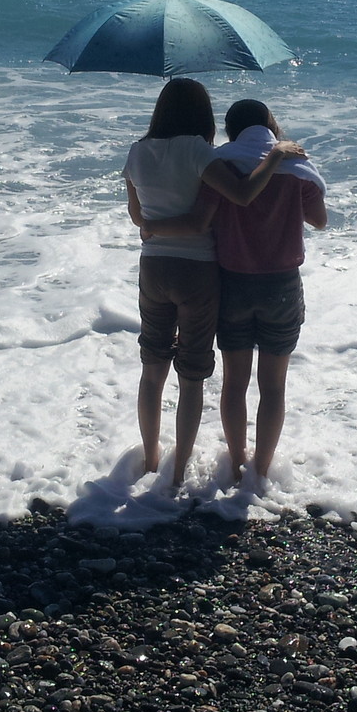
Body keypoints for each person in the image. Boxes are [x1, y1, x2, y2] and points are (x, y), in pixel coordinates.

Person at [122, 79, 305, 484]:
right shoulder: (200, 153)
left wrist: (152, 225)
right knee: (191, 374)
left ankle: (151, 459)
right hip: (197, 271)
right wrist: (275, 154)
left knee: (152, 369)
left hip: (152, 268)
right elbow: (241, 196)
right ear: (202, 116)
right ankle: (178, 474)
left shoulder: (136, 152)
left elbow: (138, 218)